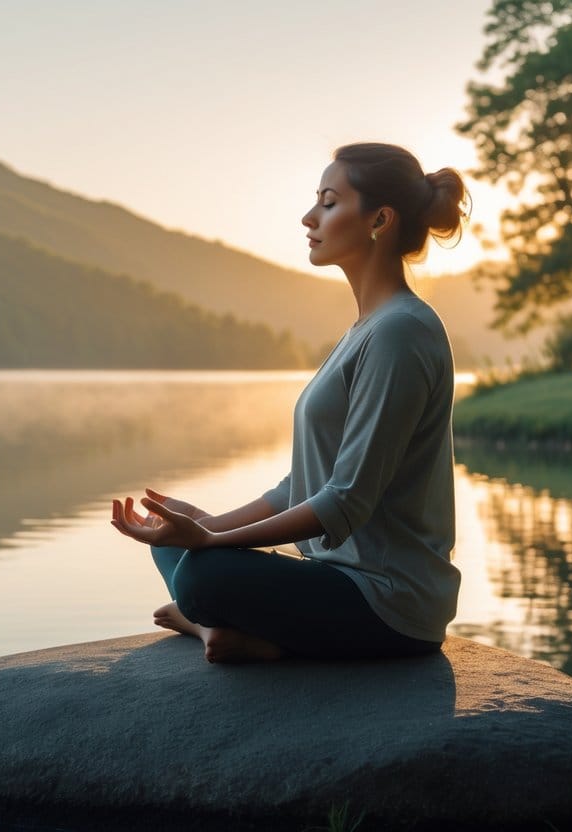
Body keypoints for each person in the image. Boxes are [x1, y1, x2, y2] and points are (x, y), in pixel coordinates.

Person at [111, 142, 468, 664]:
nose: (309, 217)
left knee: (203, 574)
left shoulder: (401, 334)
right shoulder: (366, 329)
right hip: (334, 577)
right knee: (171, 542)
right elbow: (301, 487)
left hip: (389, 602)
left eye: (328, 202)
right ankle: (218, 632)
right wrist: (208, 526)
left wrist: (213, 545)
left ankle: (210, 626)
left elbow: (344, 500)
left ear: (380, 220)